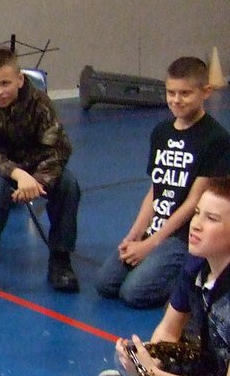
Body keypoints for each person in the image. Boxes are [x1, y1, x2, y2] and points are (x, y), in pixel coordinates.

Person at [99, 178, 230, 376]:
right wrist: (147, 370)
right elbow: (169, 332)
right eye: (197, 213)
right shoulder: (197, 264)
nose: (195, 225)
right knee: (129, 355)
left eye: (212, 219)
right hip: (206, 368)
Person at [95, 57, 230, 309]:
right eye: (171, 92)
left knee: (134, 293)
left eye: (185, 93)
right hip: (156, 227)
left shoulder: (216, 139)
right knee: (105, 283)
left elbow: (194, 201)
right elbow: (154, 192)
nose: (176, 100)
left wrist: (151, 244)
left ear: (206, 92)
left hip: (182, 236)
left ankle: (190, 276)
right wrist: (134, 235)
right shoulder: (161, 132)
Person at [0, 47, 81, 298]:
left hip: (36, 169)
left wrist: (37, 181)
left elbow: (59, 149)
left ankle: (60, 258)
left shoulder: (39, 103)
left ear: (20, 79)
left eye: (5, 83)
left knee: (68, 184)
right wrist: (17, 174)